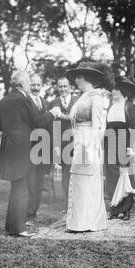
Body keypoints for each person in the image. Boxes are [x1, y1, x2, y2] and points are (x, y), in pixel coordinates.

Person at [0, 71, 60, 237]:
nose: (31, 84)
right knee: (21, 189)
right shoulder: (24, 99)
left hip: (8, 147)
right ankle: (19, 228)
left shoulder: (4, 100)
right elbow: (38, 122)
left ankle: (12, 226)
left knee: (16, 187)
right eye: (29, 81)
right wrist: (52, 113)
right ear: (23, 83)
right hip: (23, 148)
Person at [65, 61, 114, 232]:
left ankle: (86, 222)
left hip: (89, 143)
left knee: (85, 181)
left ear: (88, 79)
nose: (76, 80)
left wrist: (91, 148)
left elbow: (99, 127)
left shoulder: (96, 97)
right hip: (79, 141)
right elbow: (74, 119)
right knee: (78, 180)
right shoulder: (83, 97)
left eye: (79, 77)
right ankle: (78, 221)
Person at [104, 76, 135, 220]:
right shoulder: (111, 106)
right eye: (113, 91)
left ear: (123, 92)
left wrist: (130, 147)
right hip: (110, 141)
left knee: (126, 175)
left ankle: (126, 209)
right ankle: (114, 208)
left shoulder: (129, 106)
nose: (114, 93)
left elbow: (133, 128)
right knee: (112, 175)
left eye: (116, 91)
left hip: (124, 141)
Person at [48, 77, 79, 209]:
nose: (63, 89)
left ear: (70, 87)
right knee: (66, 174)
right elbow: (51, 126)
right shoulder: (53, 102)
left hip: (77, 143)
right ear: (57, 88)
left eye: (65, 86)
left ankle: (79, 203)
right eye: (60, 86)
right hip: (62, 144)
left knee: (78, 173)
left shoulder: (77, 101)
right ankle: (68, 204)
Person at [27, 73, 51, 224]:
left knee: (39, 184)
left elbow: (48, 128)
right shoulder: (25, 102)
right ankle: (26, 213)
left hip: (43, 150)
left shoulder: (46, 103)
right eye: (33, 85)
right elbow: (34, 123)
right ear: (28, 85)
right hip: (28, 149)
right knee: (29, 182)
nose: (35, 88)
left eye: (38, 85)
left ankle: (33, 214)